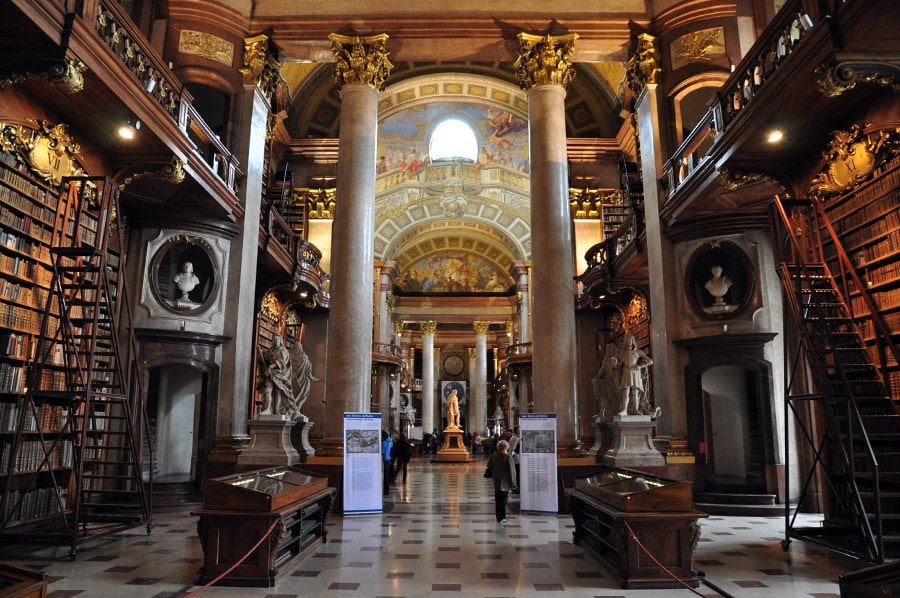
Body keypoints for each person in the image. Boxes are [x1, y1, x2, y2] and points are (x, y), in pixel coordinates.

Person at [617, 333, 653, 416]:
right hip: (626, 372)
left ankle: (635, 410)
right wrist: (615, 363)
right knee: (625, 392)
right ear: (624, 341)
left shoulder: (637, 352)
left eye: (630, 340)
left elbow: (650, 361)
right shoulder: (622, 352)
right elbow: (618, 364)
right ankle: (624, 409)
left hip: (635, 373)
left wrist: (640, 365)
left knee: (635, 392)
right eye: (626, 340)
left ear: (633, 341)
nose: (628, 341)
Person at [258, 334, 293, 416]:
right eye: (274, 339)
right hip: (270, 373)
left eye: (277, 339)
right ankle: (267, 409)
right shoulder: (271, 350)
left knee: (278, 391)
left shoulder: (283, 350)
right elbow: (265, 357)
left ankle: (277, 410)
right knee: (267, 390)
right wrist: (260, 352)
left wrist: (271, 366)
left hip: (279, 373)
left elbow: (282, 362)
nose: (275, 341)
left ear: (280, 340)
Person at [487, 439, 517, 524]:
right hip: (505, 481)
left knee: (498, 499)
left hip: (496, 480)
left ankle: (498, 516)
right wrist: (513, 484)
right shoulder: (508, 457)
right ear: (506, 447)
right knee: (503, 500)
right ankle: (502, 517)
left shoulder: (494, 456)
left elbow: (489, 465)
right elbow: (512, 472)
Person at [381, 430, 393, 496]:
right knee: (386, 475)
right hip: (389, 459)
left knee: (385, 476)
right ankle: (387, 490)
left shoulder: (385, 442)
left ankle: (386, 490)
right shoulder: (389, 440)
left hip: (385, 459)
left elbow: (382, 451)